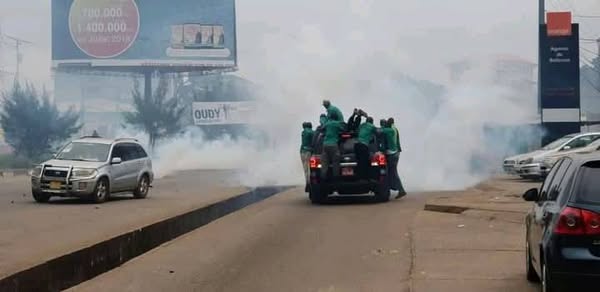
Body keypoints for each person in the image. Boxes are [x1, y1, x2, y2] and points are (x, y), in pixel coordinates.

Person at [382, 119, 407, 198]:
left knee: (392, 172)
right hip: (396, 152)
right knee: (391, 172)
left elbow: (380, 130)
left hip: (392, 154)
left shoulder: (389, 130)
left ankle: (400, 190)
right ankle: (394, 188)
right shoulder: (394, 129)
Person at [321, 112, 345, 180]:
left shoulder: (327, 123)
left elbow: (322, 128)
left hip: (325, 145)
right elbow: (343, 129)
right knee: (335, 163)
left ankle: (323, 180)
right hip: (333, 145)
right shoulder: (337, 123)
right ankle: (336, 179)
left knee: (324, 164)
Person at [300, 122, 315, 192]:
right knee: (310, 168)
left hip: (302, 151)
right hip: (309, 151)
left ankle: (307, 183)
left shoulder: (303, 132)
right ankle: (309, 184)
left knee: (305, 169)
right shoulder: (312, 132)